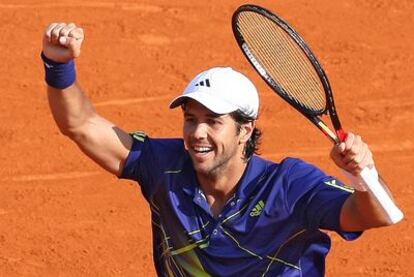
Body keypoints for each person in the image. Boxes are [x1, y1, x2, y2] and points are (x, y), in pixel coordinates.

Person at [41, 23, 402, 276]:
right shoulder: (165, 168)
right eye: (190, 118)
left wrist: (360, 173)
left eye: (213, 121)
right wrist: (59, 66)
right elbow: (82, 125)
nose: (197, 132)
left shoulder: (289, 186)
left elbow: (377, 215)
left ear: (245, 130)